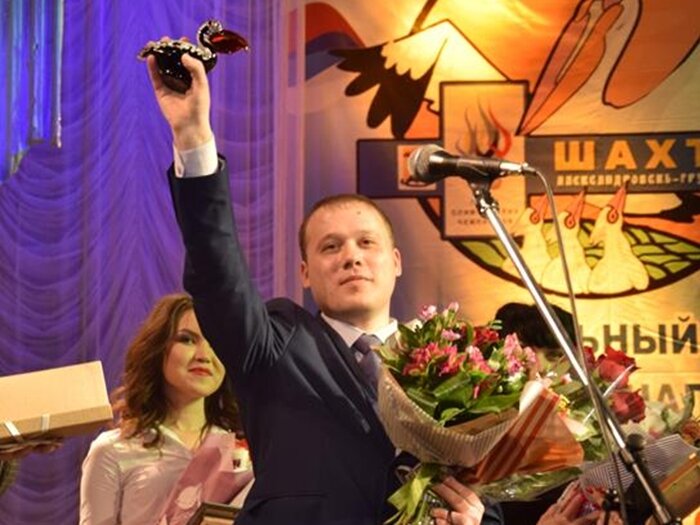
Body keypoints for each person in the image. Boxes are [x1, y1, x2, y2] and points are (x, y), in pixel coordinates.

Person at [145, 47, 501, 525]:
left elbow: (483, 494)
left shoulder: (451, 367)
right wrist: (193, 137)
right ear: (305, 273)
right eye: (330, 247)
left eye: (366, 243)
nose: (351, 256)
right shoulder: (274, 345)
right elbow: (217, 272)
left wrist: (477, 519)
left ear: (396, 262)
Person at [79, 293, 252, 525]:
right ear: (158, 350)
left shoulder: (242, 453)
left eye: (216, 342)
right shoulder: (112, 450)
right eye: (187, 340)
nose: (204, 355)